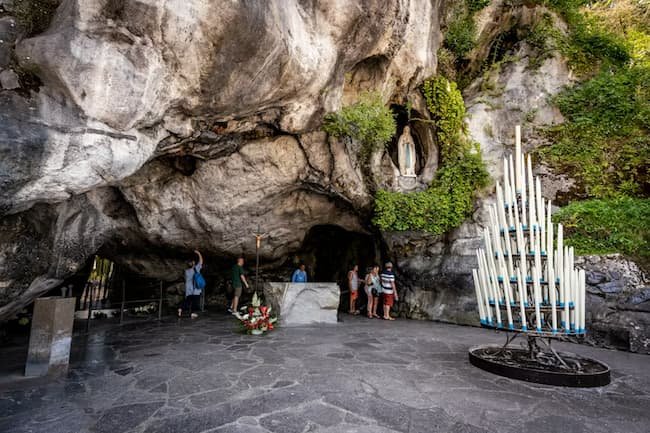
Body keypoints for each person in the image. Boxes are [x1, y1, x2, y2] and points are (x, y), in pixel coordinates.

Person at [178, 250, 203, 319]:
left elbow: (186, 279)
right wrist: (199, 253)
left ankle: (180, 308)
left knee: (188, 300)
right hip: (195, 288)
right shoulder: (196, 268)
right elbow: (201, 261)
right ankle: (193, 313)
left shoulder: (186, 271)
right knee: (195, 301)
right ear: (193, 263)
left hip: (188, 288)